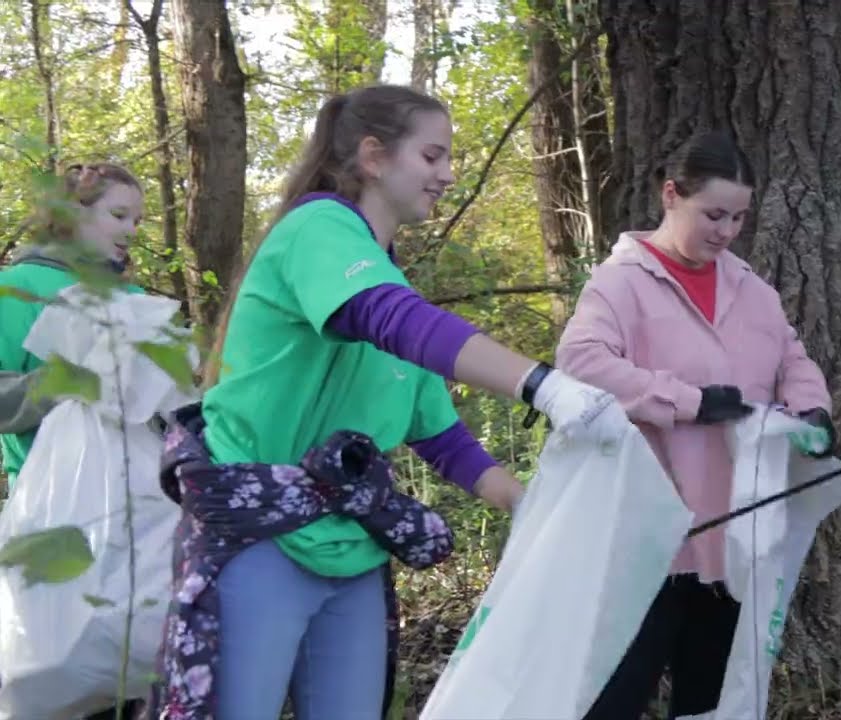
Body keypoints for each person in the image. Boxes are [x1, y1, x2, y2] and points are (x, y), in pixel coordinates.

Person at [168, 85, 629, 719]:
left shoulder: (390, 286)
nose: (448, 175)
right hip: (259, 539)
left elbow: (439, 435)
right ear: (374, 157)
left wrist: (526, 504)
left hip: (352, 552)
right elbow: (387, 317)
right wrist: (544, 385)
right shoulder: (318, 230)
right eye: (432, 156)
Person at [555, 130, 841, 720]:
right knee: (612, 701)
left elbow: (792, 358)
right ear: (671, 195)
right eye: (714, 214)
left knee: (710, 704)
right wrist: (687, 400)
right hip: (648, 539)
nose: (726, 231)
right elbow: (579, 363)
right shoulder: (621, 282)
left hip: (734, 537)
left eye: (738, 218)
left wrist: (811, 408)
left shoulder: (752, 290)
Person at [0, 162, 148, 719]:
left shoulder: (132, 297)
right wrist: (63, 383)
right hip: (50, 518)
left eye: (137, 219)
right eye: (118, 215)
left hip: (136, 519)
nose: (131, 230)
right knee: (53, 677)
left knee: (129, 673)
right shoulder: (18, 290)